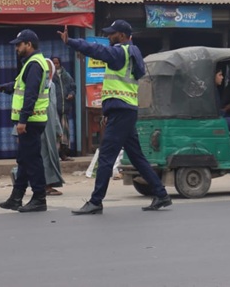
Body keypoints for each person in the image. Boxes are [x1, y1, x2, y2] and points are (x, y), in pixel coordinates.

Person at [60, 20, 172, 214]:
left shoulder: (120, 52)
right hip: (124, 110)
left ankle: (96, 201)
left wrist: (71, 41)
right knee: (137, 157)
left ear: (121, 35)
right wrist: (108, 111)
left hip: (121, 111)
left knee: (106, 156)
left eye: (112, 34)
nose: (108, 37)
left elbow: (96, 50)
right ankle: (161, 194)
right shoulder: (132, 53)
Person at [0, 29, 50, 213]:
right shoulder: (31, 63)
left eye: (19, 44)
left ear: (29, 45)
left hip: (31, 120)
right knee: (24, 159)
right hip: (31, 120)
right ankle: (16, 197)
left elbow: (30, 95)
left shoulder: (34, 64)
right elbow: (19, 87)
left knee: (32, 159)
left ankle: (39, 198)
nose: (16, 48)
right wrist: (0, 87)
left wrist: (22, 121)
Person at [43, 58, 65, 196]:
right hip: (40, 125)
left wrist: (58, 129)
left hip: (50, 126)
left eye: (48, 70)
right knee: (44, 155)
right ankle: (45, 186)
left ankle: (48, 184)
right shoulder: (38, 85)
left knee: (50, 155)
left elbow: (54, 107)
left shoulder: (53, 86)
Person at [51, 56, 76, 159]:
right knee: (55, 132)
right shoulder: (50, 76)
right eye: (54, 63)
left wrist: (71, 94)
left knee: (64, 133)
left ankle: (63, 154)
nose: (56, 65)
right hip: (54, 110)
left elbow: (73, 88)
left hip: (64, 109)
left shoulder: (66, 76)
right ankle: (55, 154)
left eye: (57, 63)